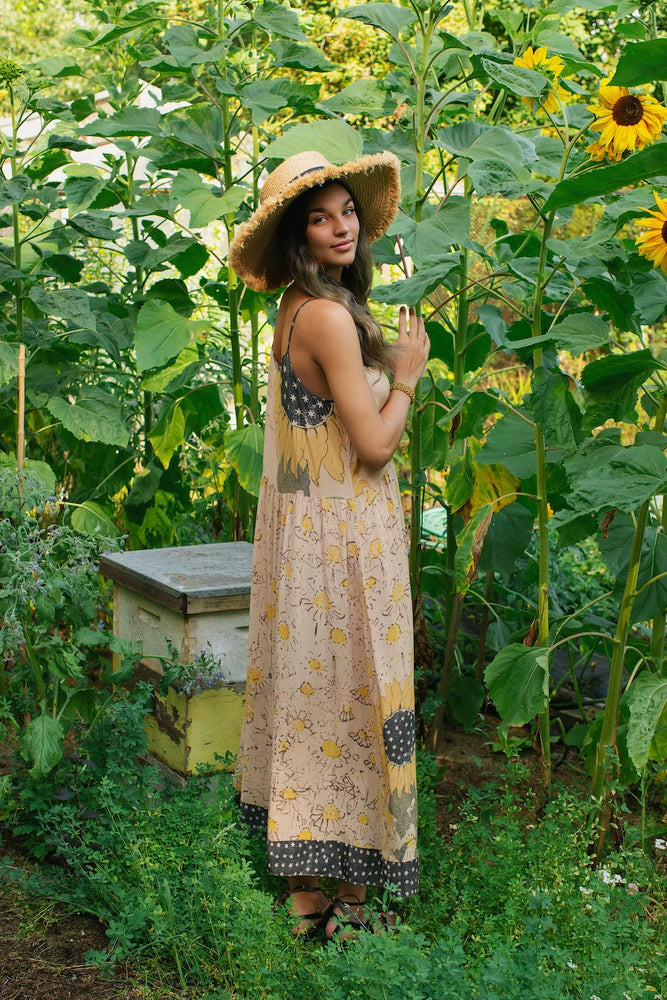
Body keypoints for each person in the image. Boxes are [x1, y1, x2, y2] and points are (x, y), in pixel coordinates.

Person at [228, 149, 430, 941]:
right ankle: (348, 890)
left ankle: (308, 887)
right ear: (296, 236)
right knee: (355, 695)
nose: (340, 226)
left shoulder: (295, 308)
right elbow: (374, 447)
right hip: (343, 539)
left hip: (306, 533)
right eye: (319, 217)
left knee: (314, 698)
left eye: (346, 210)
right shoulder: (327, 316)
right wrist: (407, 376)